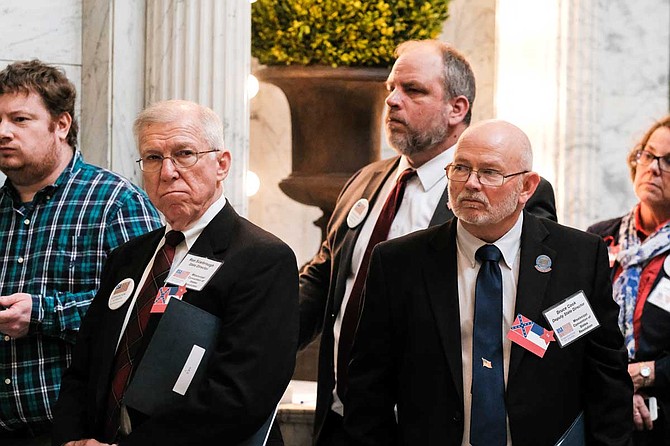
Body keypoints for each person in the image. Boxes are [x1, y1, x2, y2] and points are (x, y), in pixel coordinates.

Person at [298, 39, 557, 445]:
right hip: (342, 417)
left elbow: (523, 300)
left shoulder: (508, 193)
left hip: (432, 425)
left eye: (413, 90)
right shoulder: (364, 181)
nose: (393, 101)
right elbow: (325, 278)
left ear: (458, 108)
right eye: (390, 89)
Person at [343, 119, 633, 446]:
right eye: (461, 168)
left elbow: (607, 381)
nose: (471, 183)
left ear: (527, 187)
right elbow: (368, 389)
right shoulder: (399, 263)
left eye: (490, 172)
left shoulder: (578, 257)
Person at [51, 99, 298, 446]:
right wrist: (71, 439)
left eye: (184, 154)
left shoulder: (262, 259)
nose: (167, 171)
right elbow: (84, 370)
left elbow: (239, 397)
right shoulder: (127, 258)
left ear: (222, 164)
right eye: (153, 158)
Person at [0, 60, 161, 446]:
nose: (2, 132)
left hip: (75, 434)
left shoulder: (115, 203)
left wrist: (41, 313)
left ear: (61, 125)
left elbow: (146, 312)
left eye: (20, 119)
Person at [587, 115, 670, 446]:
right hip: (601, 408)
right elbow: (575, 321)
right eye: (648, 155)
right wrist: (619, 384)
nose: (653, 168)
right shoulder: (598, 239)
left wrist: (645, 375)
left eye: (669, 161)